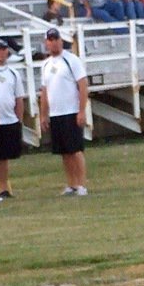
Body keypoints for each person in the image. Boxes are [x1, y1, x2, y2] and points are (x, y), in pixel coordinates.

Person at [39, 27, 89, 194]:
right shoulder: (45, 64)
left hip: (71, 111)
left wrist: (81, 111)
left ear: (61, 40)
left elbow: (82, 85)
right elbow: (45, 91)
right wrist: (43, 114)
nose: (54, 43)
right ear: (46, 43)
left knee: (75, 150)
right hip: (56, 113)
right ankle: (71, 183)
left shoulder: (71, 60)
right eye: (50, 40)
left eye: (56, 39)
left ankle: (81, 184)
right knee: (64, 152)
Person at [0, 38, 25, 198]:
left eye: (4, 49)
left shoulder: (14, 73)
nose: (1, 52)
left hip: (9, 120)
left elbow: (19, 99)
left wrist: (19, 120)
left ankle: (3, 188)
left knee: (4, 158)